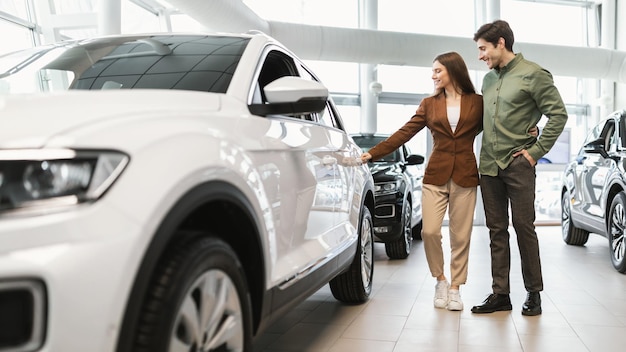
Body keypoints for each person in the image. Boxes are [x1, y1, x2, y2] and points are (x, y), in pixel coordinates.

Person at [360, 52, 483, 311]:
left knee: (461, 236)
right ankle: (440, 279)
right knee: (429, 231)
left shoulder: (477, 103)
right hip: (435, 176)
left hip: (465, 175)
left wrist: (528, 133)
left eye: (438, 70)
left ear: (453, 70)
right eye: (433, 71)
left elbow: (497, 127)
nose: (433, 75)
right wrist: (373, 153)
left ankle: (455, 288)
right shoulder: (429, 104)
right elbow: (405, 132)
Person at [470, 19, 568, 316]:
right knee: (496, 230)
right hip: (489, 165)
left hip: (518, 164)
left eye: (483, 48)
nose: (480, 55)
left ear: (501, 43)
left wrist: (535, 151)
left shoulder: (534, 75)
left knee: (524, 228)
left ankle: (533, 293)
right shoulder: (488, 80)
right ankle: (501, 293)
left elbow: (558, 115)